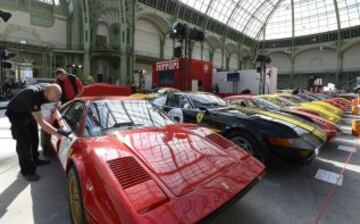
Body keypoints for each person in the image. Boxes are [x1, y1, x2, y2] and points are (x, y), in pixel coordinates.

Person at [5, 84, 70, 181]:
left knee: (34, 136)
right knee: (24, 142)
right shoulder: (33, 96)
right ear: (46, 92)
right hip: (16, 112)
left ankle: (35, 159)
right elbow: (42, 123)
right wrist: (57, 133)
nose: (54, 101)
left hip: (28, 110)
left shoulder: (49, 88)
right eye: (53, 98)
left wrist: (56, 102)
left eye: (57, 98)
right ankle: (27, 171)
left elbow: (54, 94)